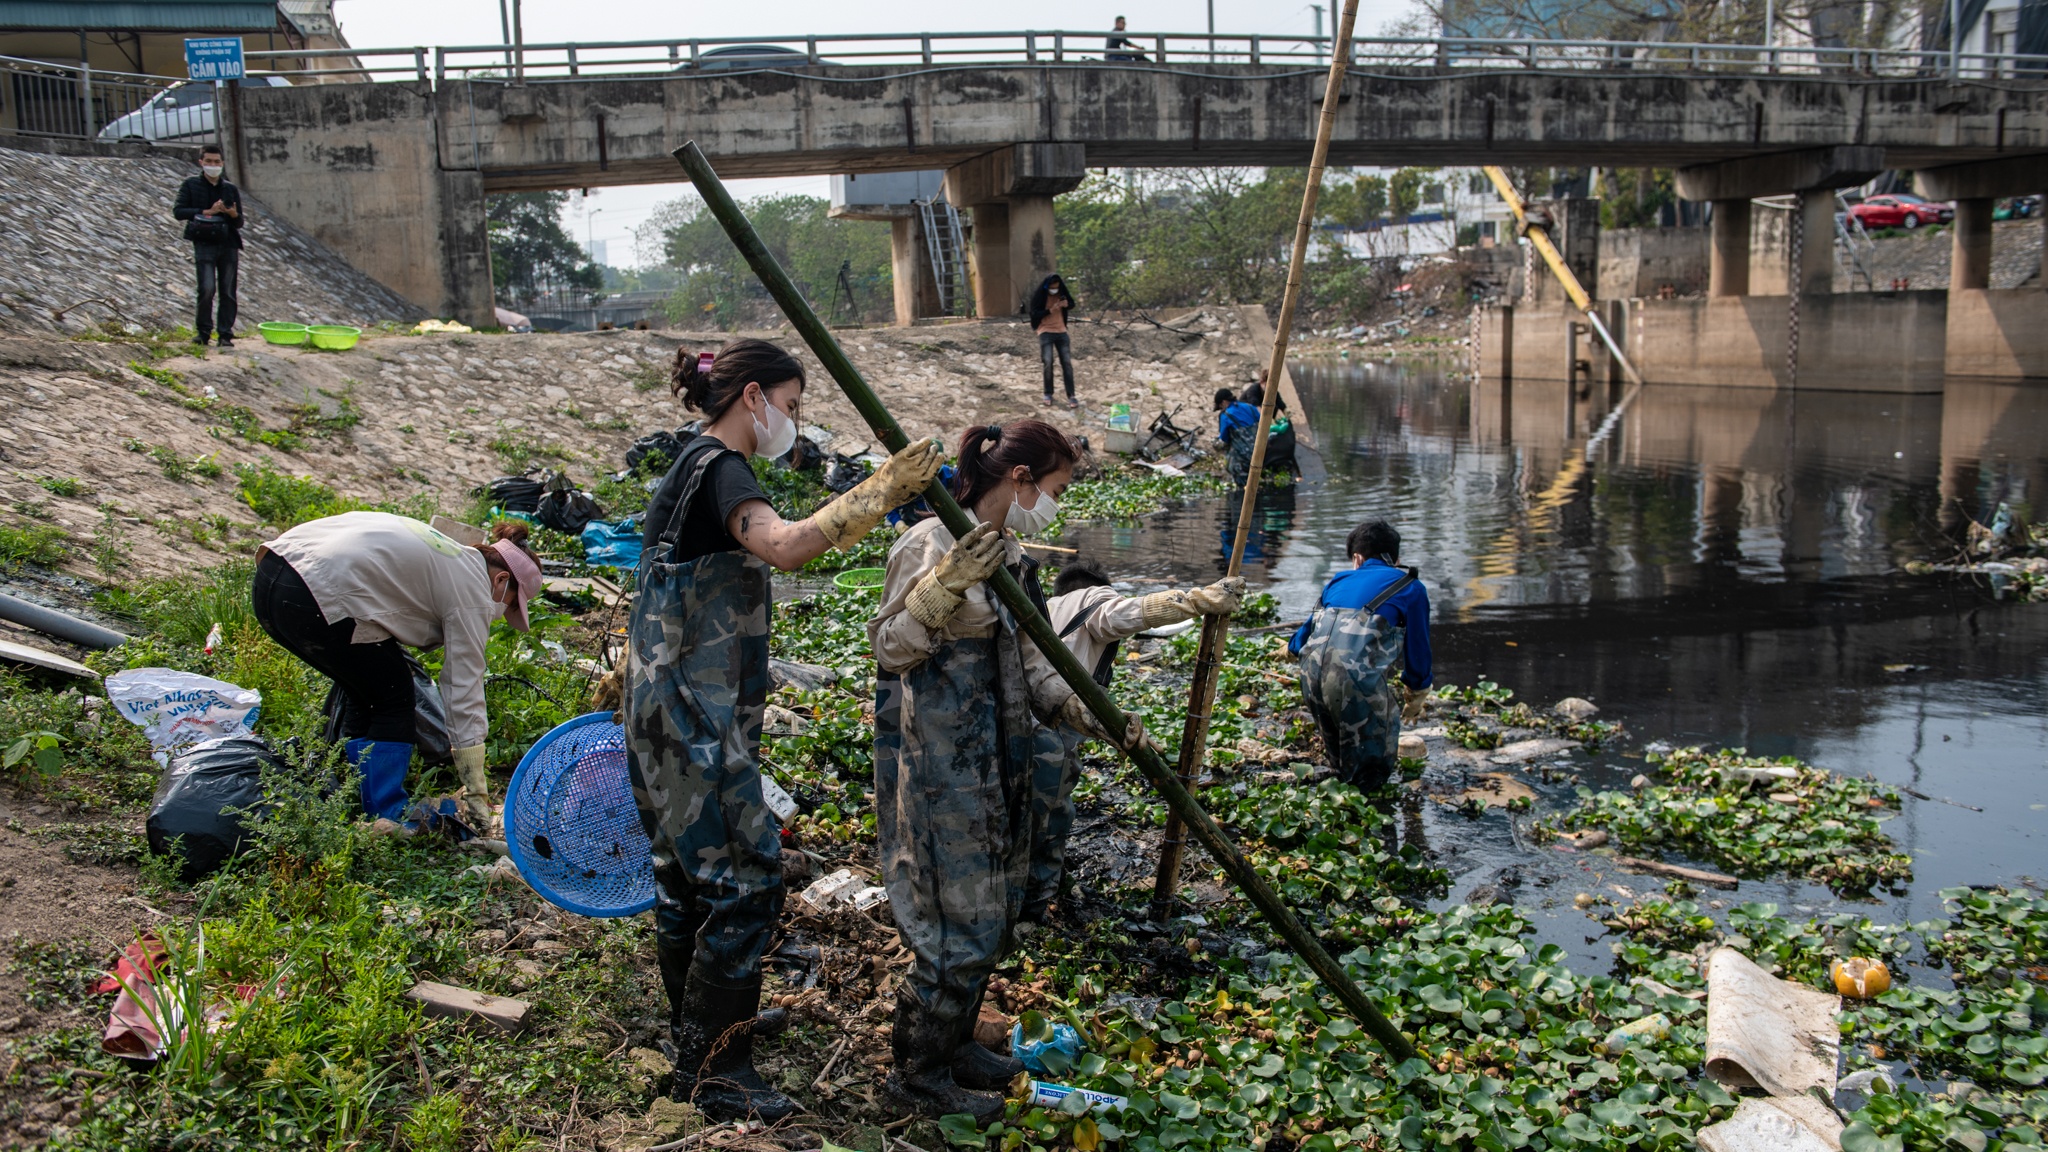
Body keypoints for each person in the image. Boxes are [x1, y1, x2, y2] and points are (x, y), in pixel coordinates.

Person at [626, 339, 947, 1123]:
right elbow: (788, 547)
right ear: (753, 399)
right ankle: (717, 1071)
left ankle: (696, 1030)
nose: (793, 421)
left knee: (685, 876)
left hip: (660, 709)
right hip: (691, 714)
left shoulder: (687, 467)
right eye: (792, 405)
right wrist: (879, 492)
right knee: (746, 878)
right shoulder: (724, 468)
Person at [870, 420, 1148, 1123]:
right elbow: (892, 648)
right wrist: (943, 586)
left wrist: (1097, 717)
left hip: (1002, 759)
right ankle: (917, 1071)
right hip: (941, 767)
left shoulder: (1014, 557)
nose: (1056, 502)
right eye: (1055, 488)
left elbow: (1033, 668)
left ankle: (959, 1045)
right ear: (1019, 479)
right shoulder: (928, 542)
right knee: (953, 923)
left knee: (991, 911)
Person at [251, 513, 542, 828]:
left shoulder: (452, 554)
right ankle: (387, 813)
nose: (500, 614)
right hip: (316, 591)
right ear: (500, 581)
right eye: (511, 605)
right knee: (394, 698)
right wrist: (475, 788)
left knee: (367, 688)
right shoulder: (473, 590)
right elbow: (463, 689)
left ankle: (351, 790)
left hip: (275, 576)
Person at [1024, 563, 1243, 924]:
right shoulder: (1093, 598)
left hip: (1025, 718)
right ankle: (1035, 906)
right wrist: (1198, 600)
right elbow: (1122, 614)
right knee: (1051, 817)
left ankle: (1035, 886)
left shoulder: (1047, 606)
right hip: (1052, 726)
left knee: (1027, 808)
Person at [1289, 520, 1432, 791]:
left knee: (1341, 761)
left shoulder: (1338, 580)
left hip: (1310, 679)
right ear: (1396, 558)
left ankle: (1341, 804)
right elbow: (1419, 650)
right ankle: (1369, 810)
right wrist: (1417, 691)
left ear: (1357, 558)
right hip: (1354, 683)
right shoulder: (1411, 587)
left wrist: (1289, 648)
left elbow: (1304, 635)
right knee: (1370, 772)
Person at [172, 144, 244, 348]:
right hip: (204, 241)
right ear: (201, 162)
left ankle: (225, 334)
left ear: (222, 164)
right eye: (209, 161)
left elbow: (239, 222)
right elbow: (179, 211)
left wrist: (232, 214)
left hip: (227, 242)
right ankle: (203, 332)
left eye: (217, 162)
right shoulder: (191, 185)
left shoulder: (229, 189)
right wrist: (207, 211)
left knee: (228, 291)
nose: (213, 165)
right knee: (206, 288)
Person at [1029, 275, 1078, 408]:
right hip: (1045, 332)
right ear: (1047, 287)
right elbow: (1034, 313)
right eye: (1052, 288)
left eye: (1056, 288)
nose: (1054, 290)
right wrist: (1050, 311)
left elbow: (1072, 304)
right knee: (1048, 361)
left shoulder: (1062, 293)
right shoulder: (1040, 296)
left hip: (1061, 332)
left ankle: (1071, 395)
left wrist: (1066, 305)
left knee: (1067, 363)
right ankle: (1048, 393)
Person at [1213, 387, 1263, 486]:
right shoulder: (1250, 407)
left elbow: (1224, 439)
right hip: (1261, 453)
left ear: (1223, 402)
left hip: (1244, 459)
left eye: (1220, 406)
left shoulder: (1225, 415)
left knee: (1241, 485)